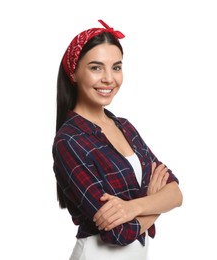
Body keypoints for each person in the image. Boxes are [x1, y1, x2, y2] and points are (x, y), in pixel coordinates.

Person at [52, 19, 183, 260]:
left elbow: (175, 193)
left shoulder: (125, 128)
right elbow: (119, 233)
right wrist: (155, 205)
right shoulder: (69, 141)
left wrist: (133, 207)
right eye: (96, 67)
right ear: (74, 72)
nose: (109, 79)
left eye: (116, 67)